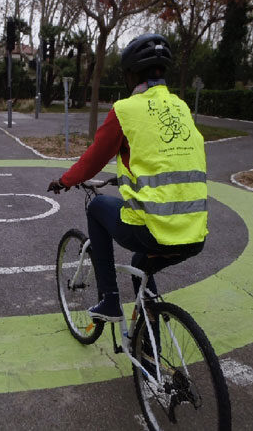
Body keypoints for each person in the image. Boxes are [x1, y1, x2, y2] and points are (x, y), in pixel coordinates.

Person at [47, 33, 207, 322]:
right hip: (195, 233)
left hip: (155, 228)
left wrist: (65, 180)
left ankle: (109, 301)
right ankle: (149, 351)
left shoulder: (126, 110)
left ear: (131, 74)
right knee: (140, 264)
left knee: (97, 208)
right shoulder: (181, 107)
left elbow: (94, 158)